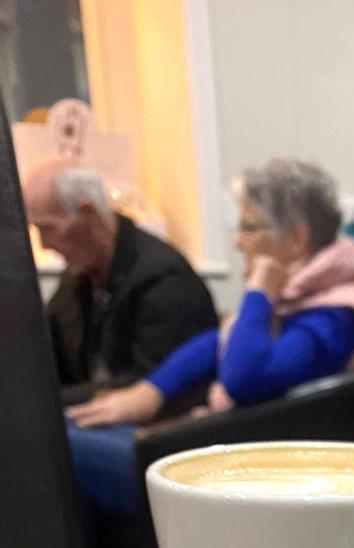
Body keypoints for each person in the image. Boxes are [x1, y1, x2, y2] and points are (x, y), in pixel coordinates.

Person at [65, 158, 354, 522]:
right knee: (63, 426)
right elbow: (217, 343)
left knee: (53, 443)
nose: (238, 242)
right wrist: (148, 393)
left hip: (237, 474)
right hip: (219, 444)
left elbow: (244, 379)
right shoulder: (308, 295)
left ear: (296, 240)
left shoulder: (337, 316)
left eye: (249, 227)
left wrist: (259, 291)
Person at [23, 159, 217, 405]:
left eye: (48, 229)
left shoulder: (164, 279)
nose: (43, 244)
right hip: (95, 413)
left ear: (88, 213)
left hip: (152, 422)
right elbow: (43, 348)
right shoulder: (80, 275)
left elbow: (152, 386)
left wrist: (45, 401)